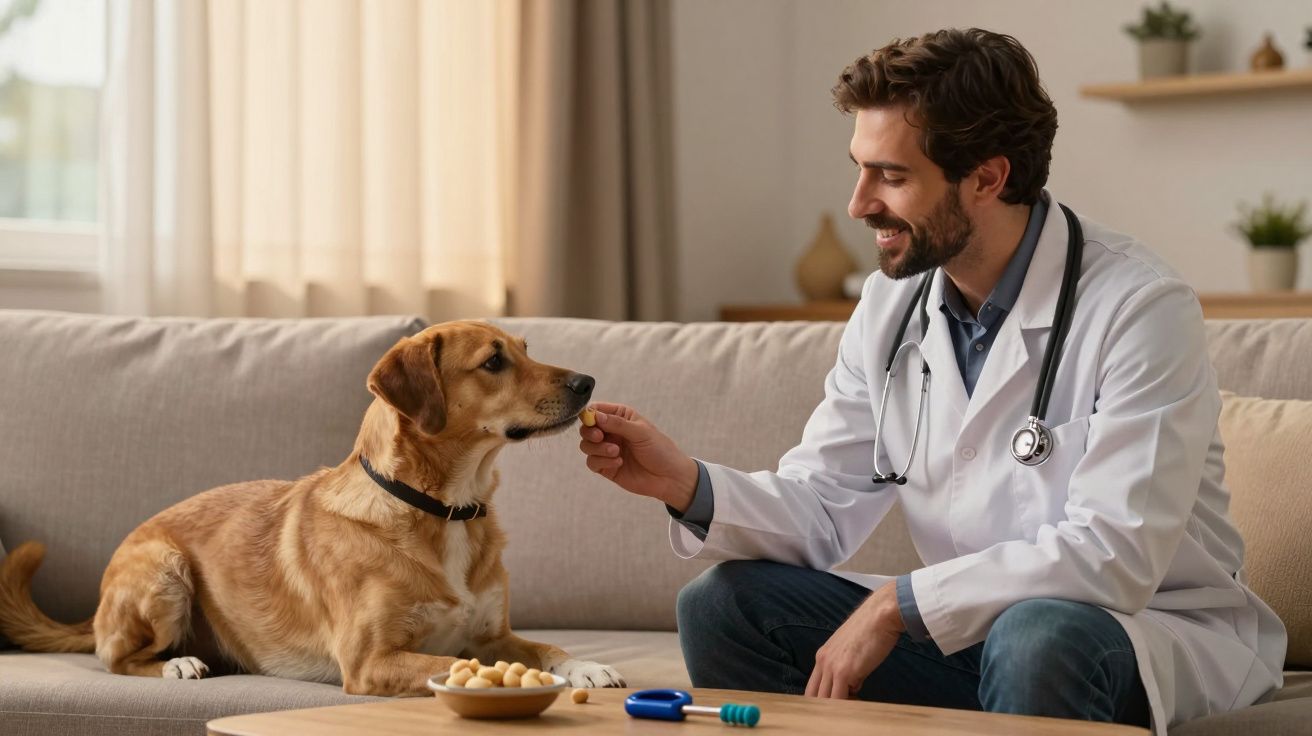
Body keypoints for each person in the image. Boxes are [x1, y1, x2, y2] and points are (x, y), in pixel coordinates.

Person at [575, 28, 1285, 733]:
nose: (858, 203)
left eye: (891, 175)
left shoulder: (1139, 306)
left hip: (1142, 634)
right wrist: (684, 484)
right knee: (723, 603)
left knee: (1037, 636)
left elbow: (1115, 555)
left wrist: (896, 606)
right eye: (860, 168)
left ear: (986, 177)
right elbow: (823, 505)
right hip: (974, 633)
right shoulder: (893, 303)